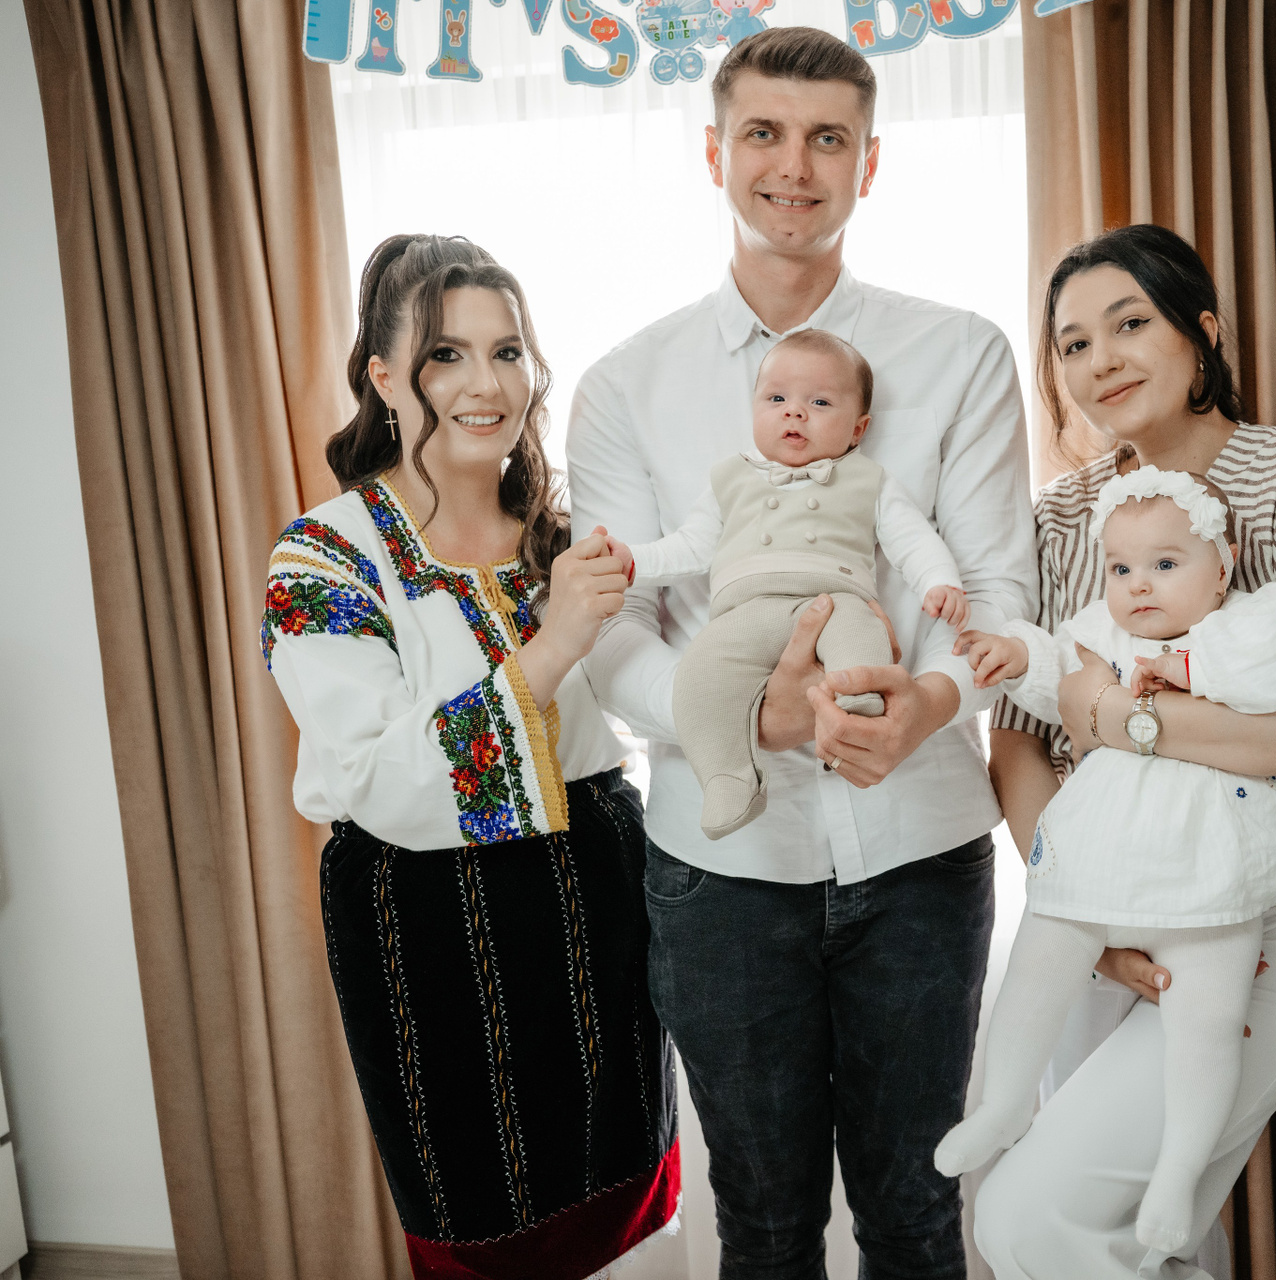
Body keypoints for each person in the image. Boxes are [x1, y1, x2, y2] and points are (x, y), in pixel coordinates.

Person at [566, 26, 1035, 1279]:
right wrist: (746, 719)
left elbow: (994, 586)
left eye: (829, 138)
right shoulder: (626, 383)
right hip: (720, 871)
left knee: (918, 1220)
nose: (794, 166)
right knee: (763, 1229)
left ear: (868, 163)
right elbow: (612, 623)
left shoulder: (961, 353)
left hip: (924, 852)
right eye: (763, 134)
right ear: (714, 150)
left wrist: (930, 698)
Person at [970, 223, 1276, 1278]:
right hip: (1098, 910)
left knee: (1030, 1222)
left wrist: (1129, 721)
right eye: (1073, 344)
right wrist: (1088, 915)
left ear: (1201, 330)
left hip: (1274, 917)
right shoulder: (1065, 516)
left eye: (1130, 324)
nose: (1102, 360)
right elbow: (1019, 745)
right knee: (1149, 1238)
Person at [261, 234, 678, 1279]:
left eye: (508, 351)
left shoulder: (564, 535)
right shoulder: (325, 555)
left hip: (600, 901)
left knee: (635, 1218)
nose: (486, 384)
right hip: (433, 930)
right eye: (446, 355)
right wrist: (552, 644)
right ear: (384, 376)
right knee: (486, 1229)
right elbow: (375, 775)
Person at [938, 466, 1276, 1254]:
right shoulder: (1106, 630)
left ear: (1223, 566)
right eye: (1122, 567)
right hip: (1108, 859)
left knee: (1207, 1017)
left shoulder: (1255, 620)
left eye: (1165, 564)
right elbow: (1058, 673)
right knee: (1041, 957)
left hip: (1213, 870)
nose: (1139, 585)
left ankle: (1178, 1168)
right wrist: (1014, 654)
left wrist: (1190, 671)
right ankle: (1004, 1102)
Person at [621, 328, 969, 839]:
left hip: (836, 600)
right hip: (746, 611)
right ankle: (728, 778)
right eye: (777, 399)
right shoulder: (729, 480)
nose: (795, 413)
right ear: (754, 409)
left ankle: (858, 719)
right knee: (700, 675)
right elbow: (689, 546)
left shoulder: (867, 479)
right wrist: (633, 561)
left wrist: (939, 580)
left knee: (863, 642)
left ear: (858, 428)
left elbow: (912, 538)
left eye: (820, 402)